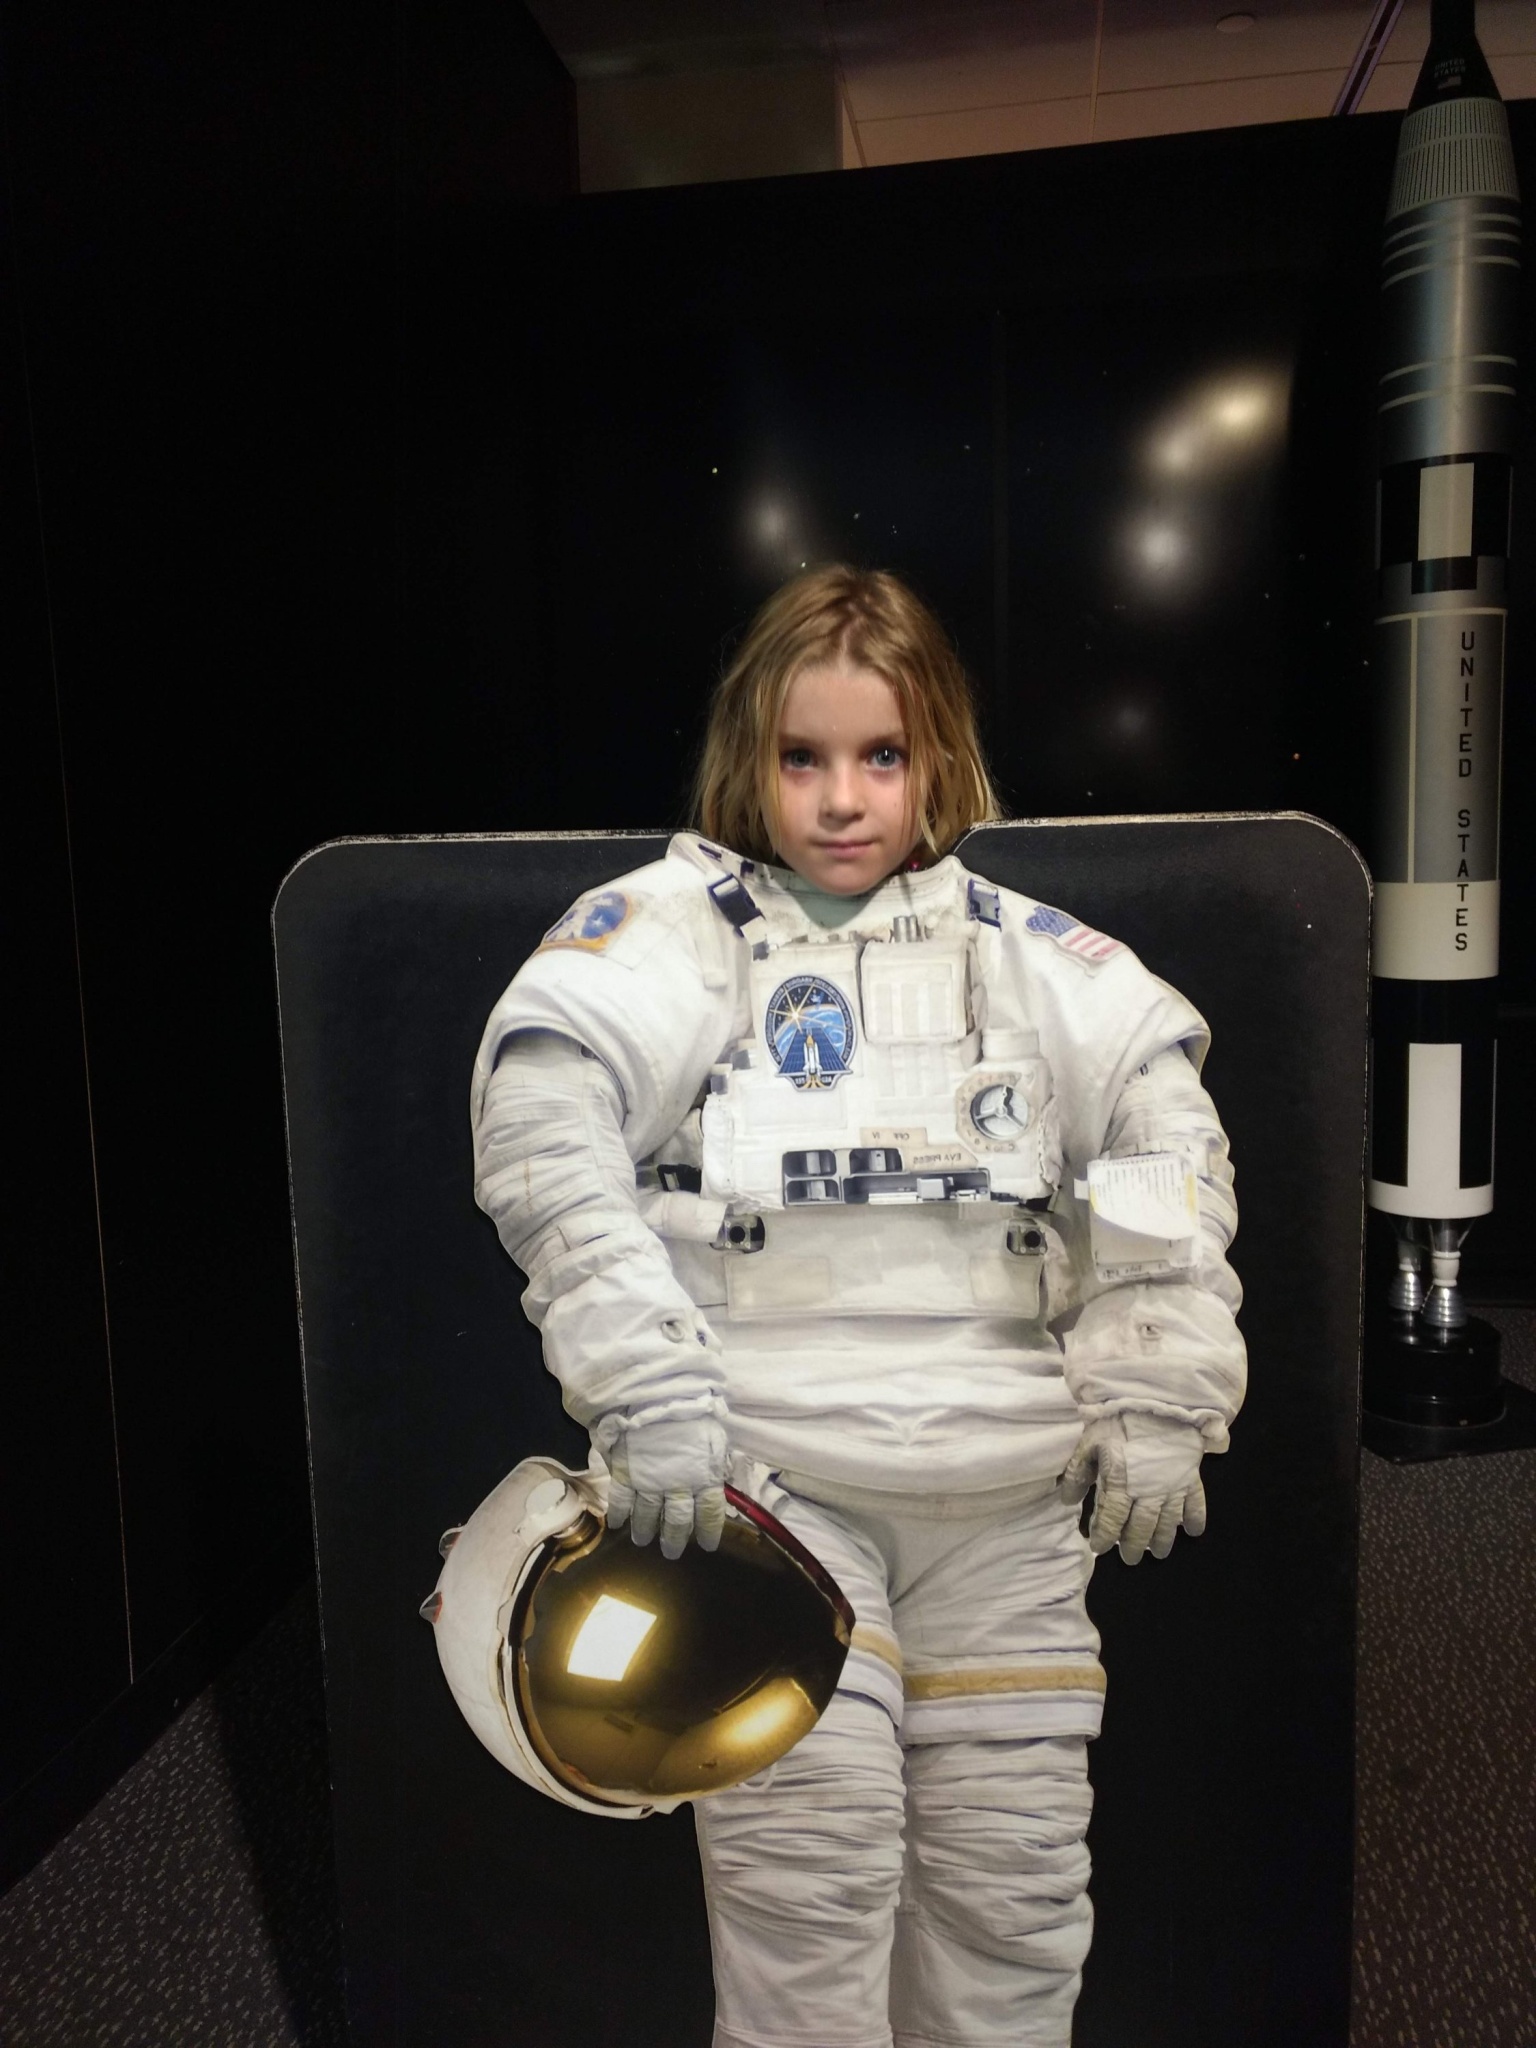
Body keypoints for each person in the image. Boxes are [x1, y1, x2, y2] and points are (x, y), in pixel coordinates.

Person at [470, 565, 1245, 2048]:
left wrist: (1159, 1377)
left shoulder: (1034, 957)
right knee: (808, 1897)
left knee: (1011, 1904)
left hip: (1007, 1512)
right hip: (778, 1493)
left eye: (881, 756)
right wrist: (647, 1383)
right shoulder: (673, 935)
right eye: (802, 757)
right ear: (746, 759)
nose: (841, 799)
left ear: (937, 755)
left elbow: (1167, 1146)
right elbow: (543, 1124)